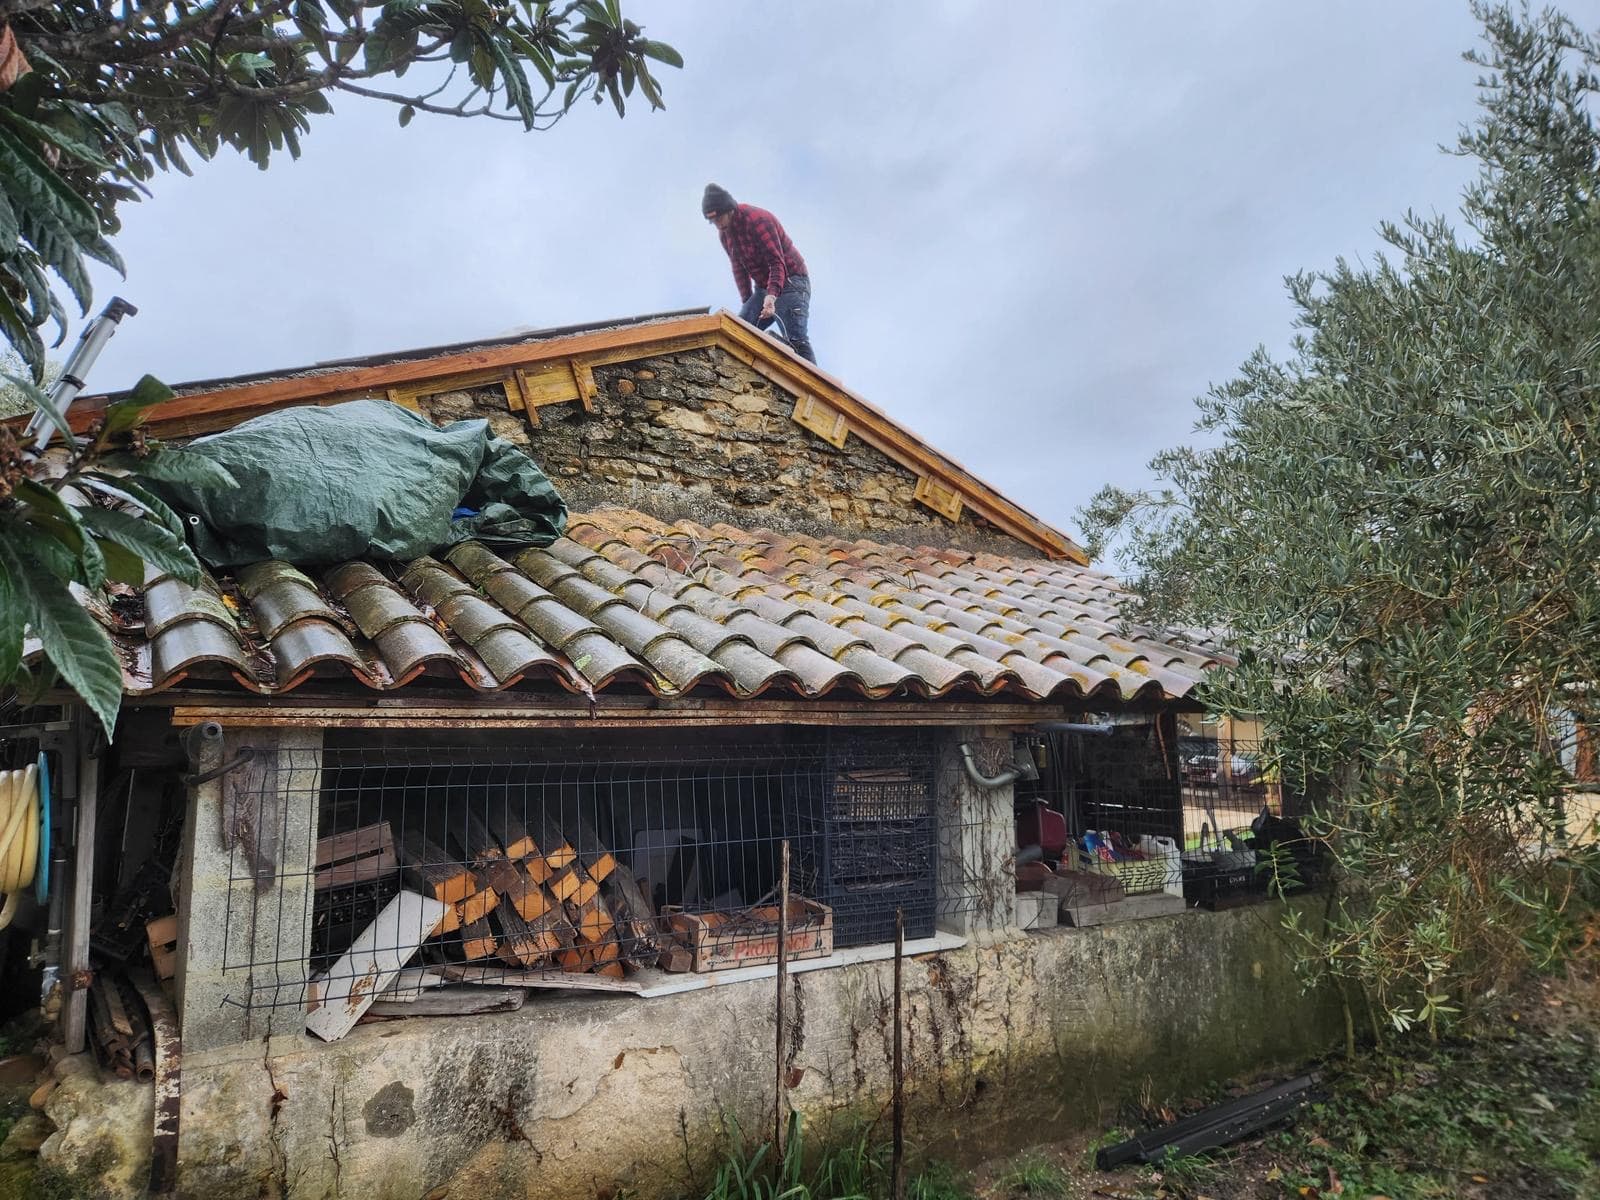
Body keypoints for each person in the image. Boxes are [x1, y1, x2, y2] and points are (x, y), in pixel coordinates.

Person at [701, 183, 816, 364]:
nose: (718, 225)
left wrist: (771, 297)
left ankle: (815, 388)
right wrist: (748, 303)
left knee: (796, 340)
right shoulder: (725, 235)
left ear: (729, 210)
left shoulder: (758, 220)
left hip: (791, 282)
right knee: (739, 330)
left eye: (719, 218)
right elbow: (739, 269)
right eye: (713, 222)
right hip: (763, 288)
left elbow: (777, 262)